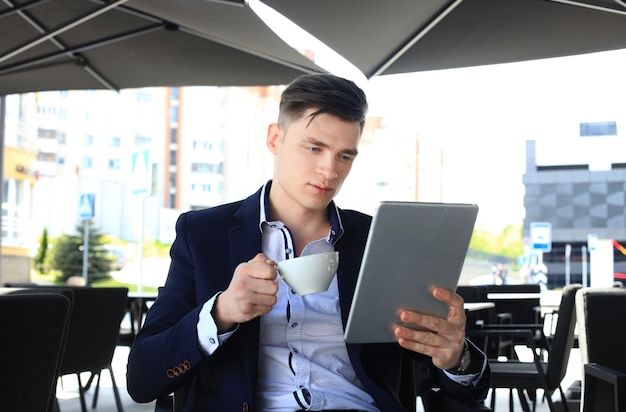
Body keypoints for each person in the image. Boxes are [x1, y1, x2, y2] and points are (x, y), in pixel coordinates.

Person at [126, 73, 490, 412]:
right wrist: (220, 312)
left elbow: (452, 379)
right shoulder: (203, 234)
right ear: (275, 139)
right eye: (314, 148)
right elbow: (142, 380)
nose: (330, 171)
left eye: (344, 156)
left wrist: (455, 357)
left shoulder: (379, 241)